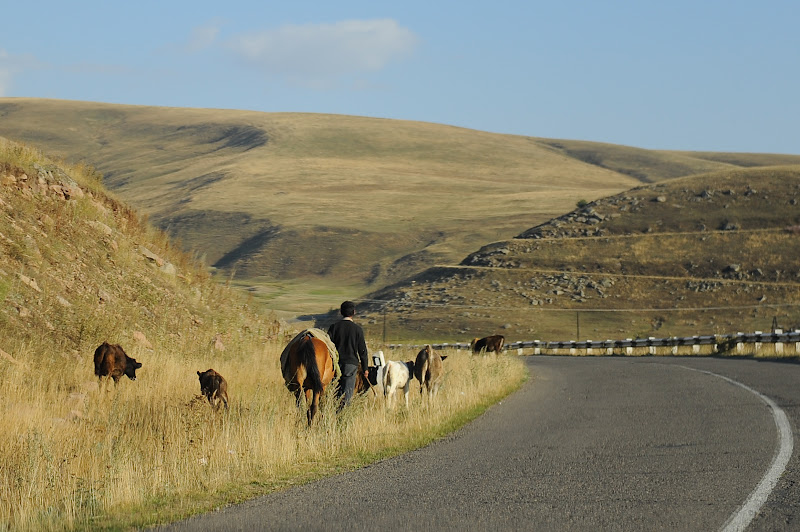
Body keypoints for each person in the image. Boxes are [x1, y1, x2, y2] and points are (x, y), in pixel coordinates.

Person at [327, 300, 369, 408]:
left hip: (335, 364)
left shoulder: (334, 327)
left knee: (334, 391)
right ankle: (342, 415)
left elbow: (328, 346)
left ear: (341, 312)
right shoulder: (357, 329)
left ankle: (332, 411)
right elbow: (362, 351)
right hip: (351, 365)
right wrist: (365, 368)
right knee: (347, 393)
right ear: (354, 312)